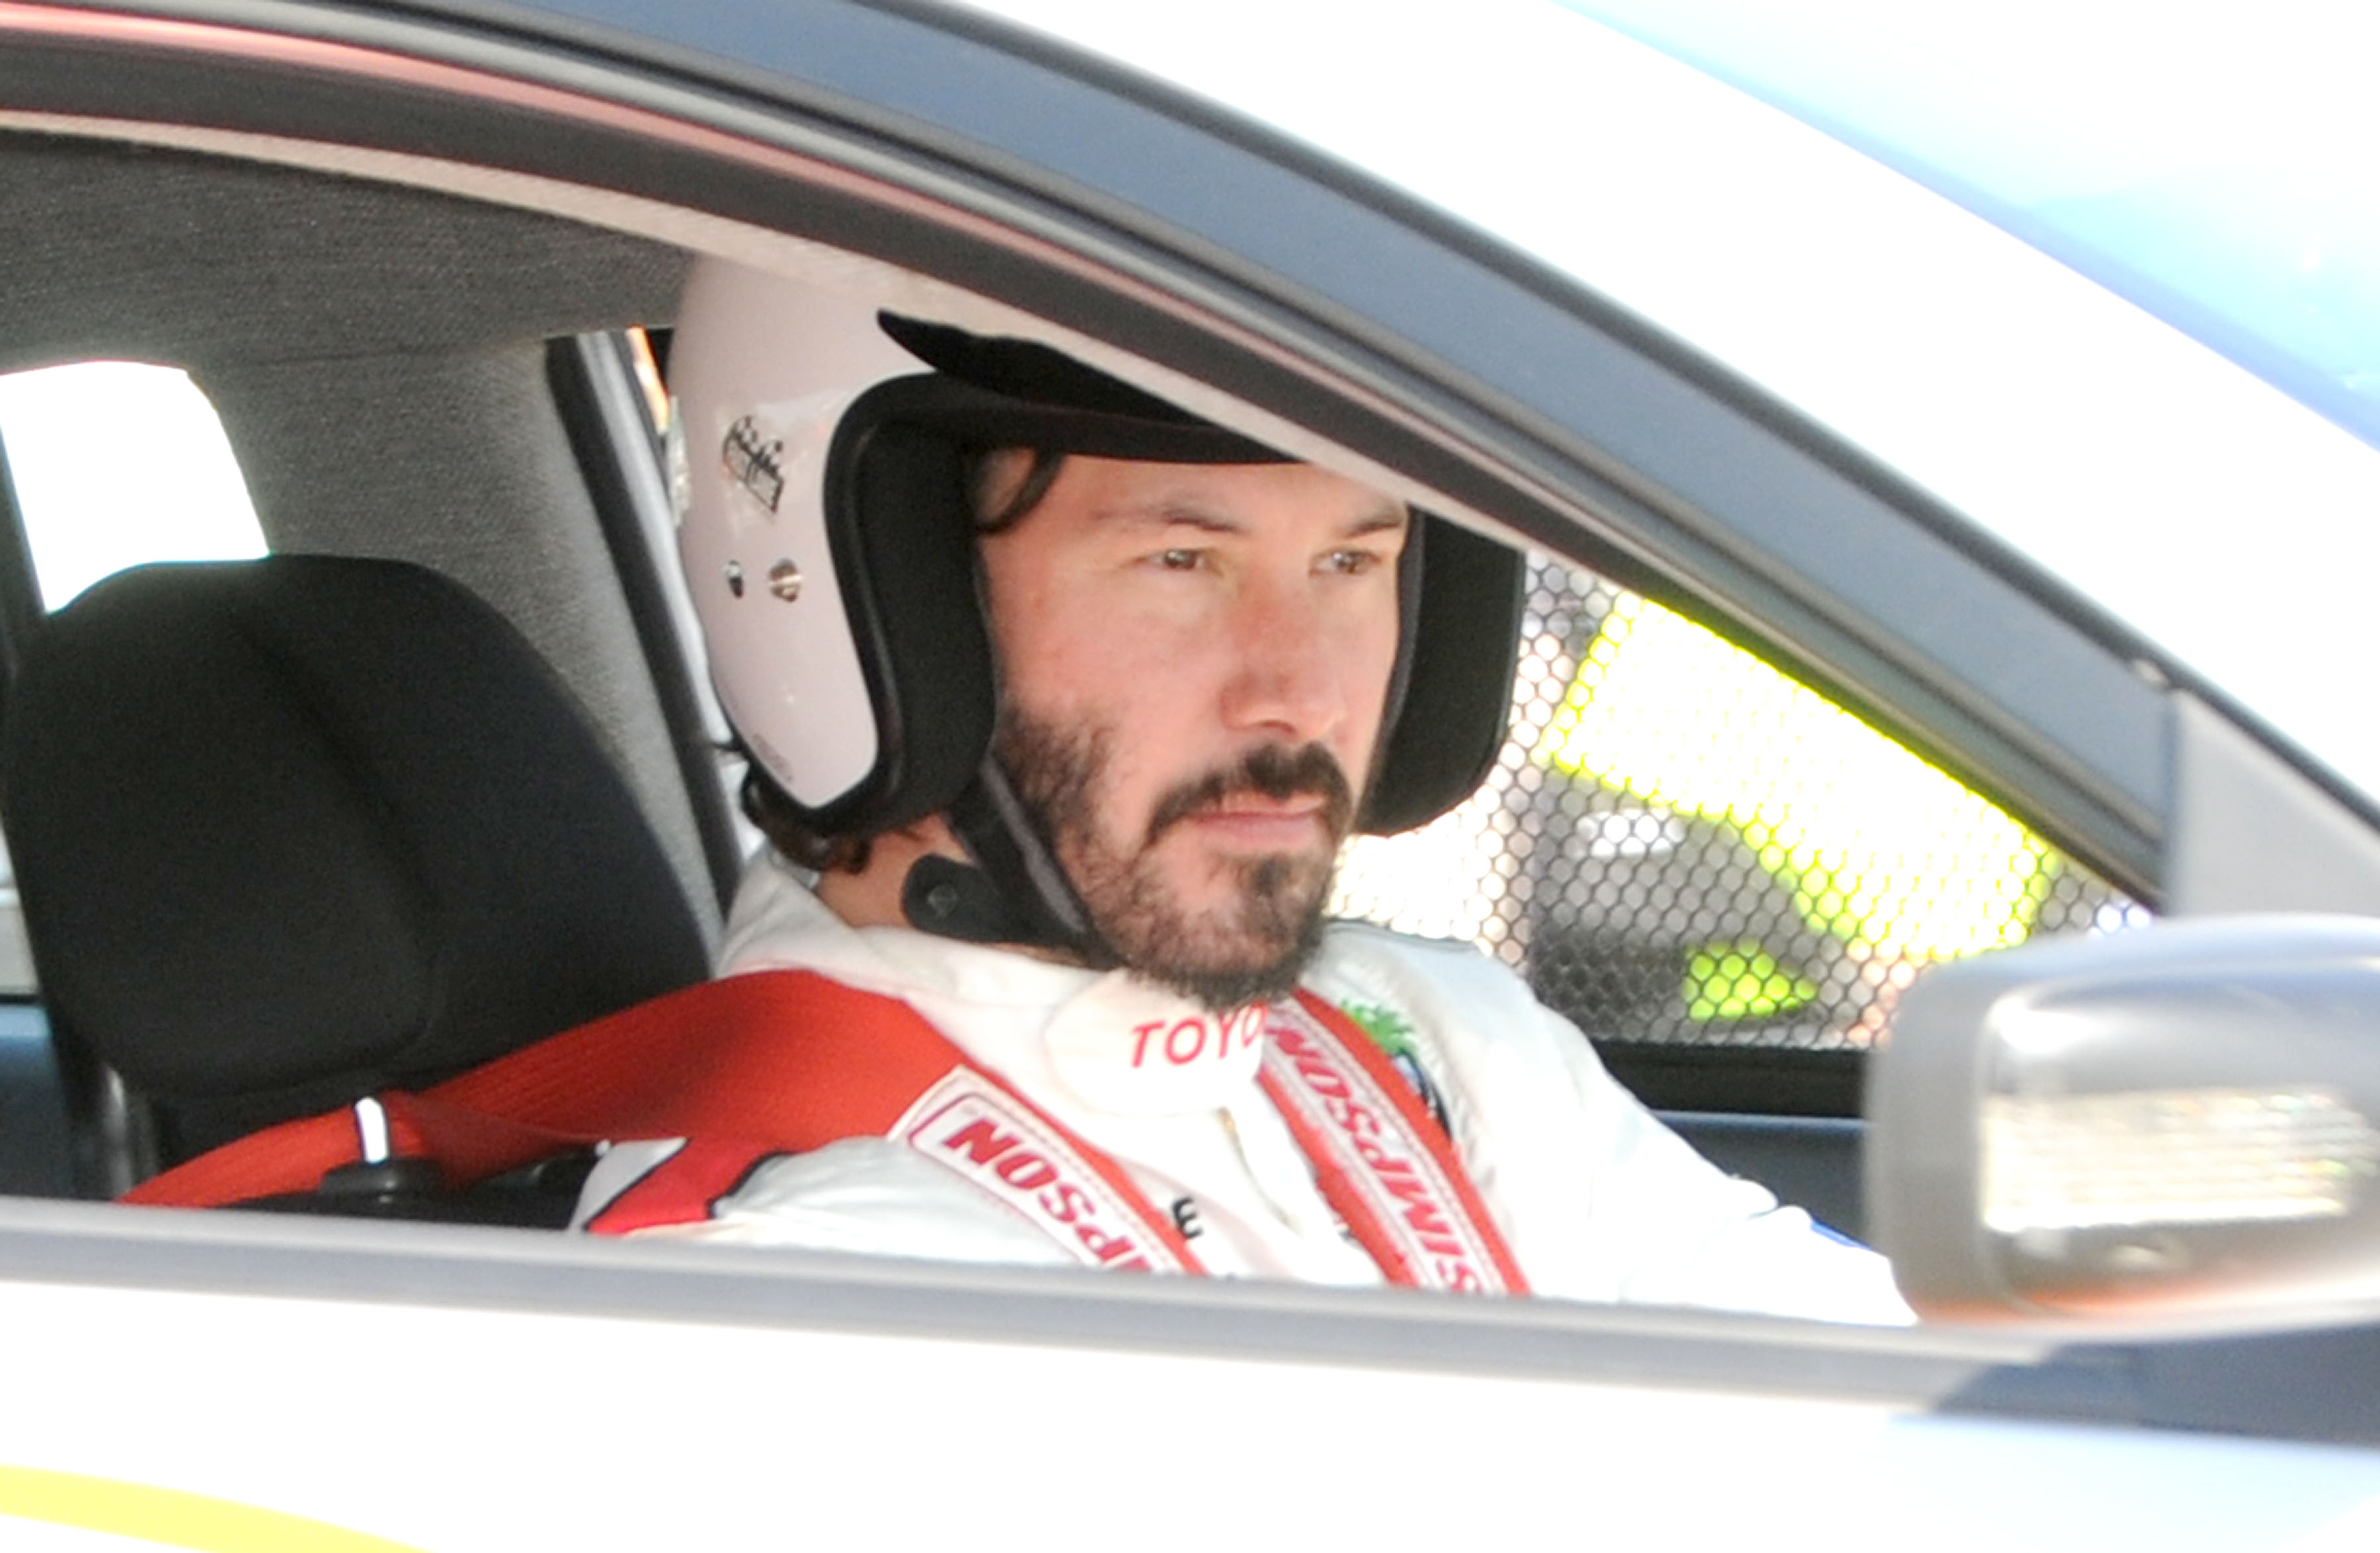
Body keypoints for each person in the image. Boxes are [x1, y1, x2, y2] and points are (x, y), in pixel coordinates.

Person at [571, 262, 1911, 1323]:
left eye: (1351, 562)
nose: (1304, 693)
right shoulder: (810, 1285)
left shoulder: (1432, 1038)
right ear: (876, 610)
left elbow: (1929, 1421)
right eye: (1181, 561)